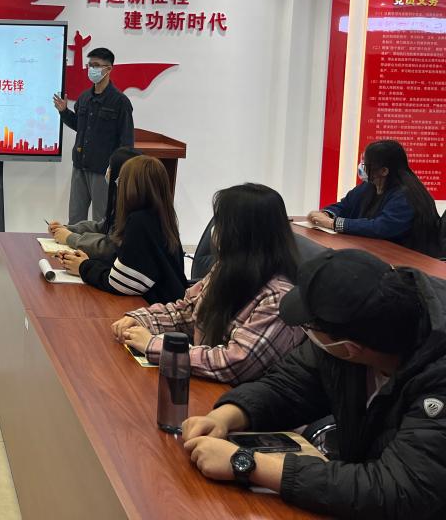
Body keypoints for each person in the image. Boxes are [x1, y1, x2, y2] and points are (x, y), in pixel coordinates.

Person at [182, 249, 446, 519]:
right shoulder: (353, 333)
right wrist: (227, 415)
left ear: (350, 348)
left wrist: (248, 464)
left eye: (308, 327)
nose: (305, 334)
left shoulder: (437, 375)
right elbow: (289, 384)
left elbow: (398, 490)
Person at [111, 184, 304, 384]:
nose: (215, 231)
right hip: (208, 386)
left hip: (236, 398)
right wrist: (142, 320)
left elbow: (234, 363)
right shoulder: (227, 269)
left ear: (245, 233)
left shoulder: (279, 298)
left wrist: (154, 346)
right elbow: (189, 313)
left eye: (221, 223)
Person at [58, 155, 185, 304]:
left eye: (121, 182)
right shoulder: (161, 216)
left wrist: (83, 267)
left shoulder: (140, 222)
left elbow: (122, 283)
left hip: (155, 307)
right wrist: (87, 262)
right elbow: (127, 269)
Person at [307, 139, 440, 257]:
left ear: (384, 171)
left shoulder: (406, 194)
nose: (361, 167)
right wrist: (326, 214)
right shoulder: (370, 185)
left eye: (366, 164)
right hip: (377, 252)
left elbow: (381, 227)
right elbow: (345, 205)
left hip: (409, 260)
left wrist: (333, 224)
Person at [53, 47, 134, 224]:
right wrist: (64, 112)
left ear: (108, 69)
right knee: (75, 218)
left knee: (102, 220)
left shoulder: (120, 102)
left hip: (103, 171)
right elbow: (79, 126)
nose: (91, 69)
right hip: (80, 167)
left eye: (96, 65)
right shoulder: (84, 98)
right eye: (90, 65)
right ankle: (74, 243)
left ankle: (101, 244)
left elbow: (127, 141)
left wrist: (118, 170)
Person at [47, 147, 141, 259]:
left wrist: (71, 238)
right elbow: (103, 226)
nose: (107, 171)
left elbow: (109, 247)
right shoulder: (123, 200)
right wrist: (68, 229)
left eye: (110, 167)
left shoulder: (136, 213)